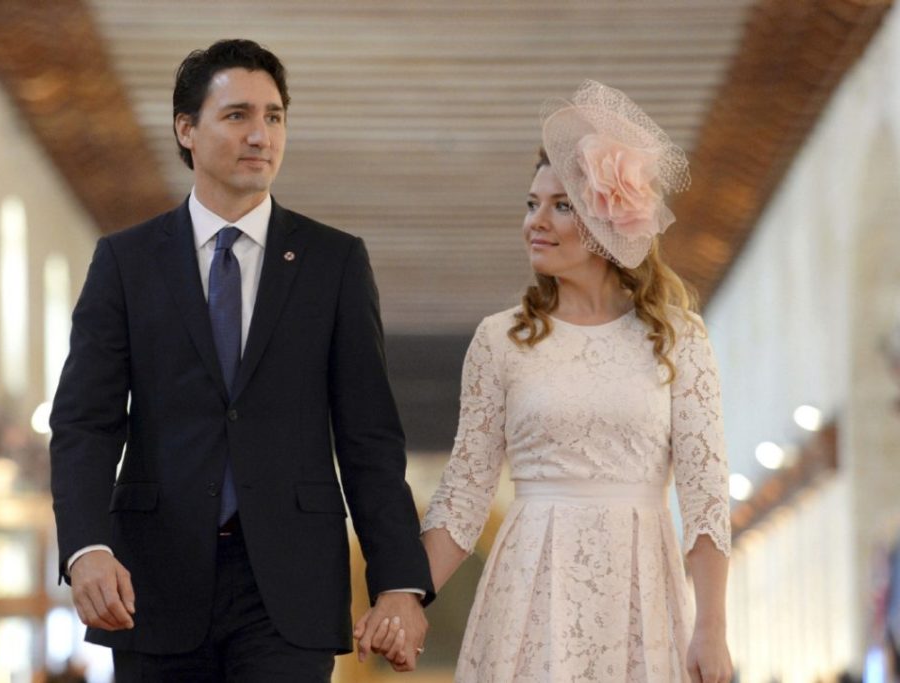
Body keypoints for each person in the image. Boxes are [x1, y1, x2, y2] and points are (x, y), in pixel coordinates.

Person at [49, 38, 433, 682]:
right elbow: (85, 423)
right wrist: (86, 546)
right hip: (153, 580)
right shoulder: (126, 262)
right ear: (187, 129)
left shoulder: (333, 262)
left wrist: (399, 581)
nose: (261, 135)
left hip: (289, 585)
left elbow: (368, 436)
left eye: (273, 116)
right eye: (237, 116)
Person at [371, 80, 733, 681]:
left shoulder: (679, 338)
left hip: (641, 588)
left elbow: (706, 499)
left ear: (609, 220)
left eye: (561, 205)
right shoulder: (500, 339)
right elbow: (464, 496)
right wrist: (404, 600)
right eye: (531, 203)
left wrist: (712, 628)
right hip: (529, 587)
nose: (535, 222)